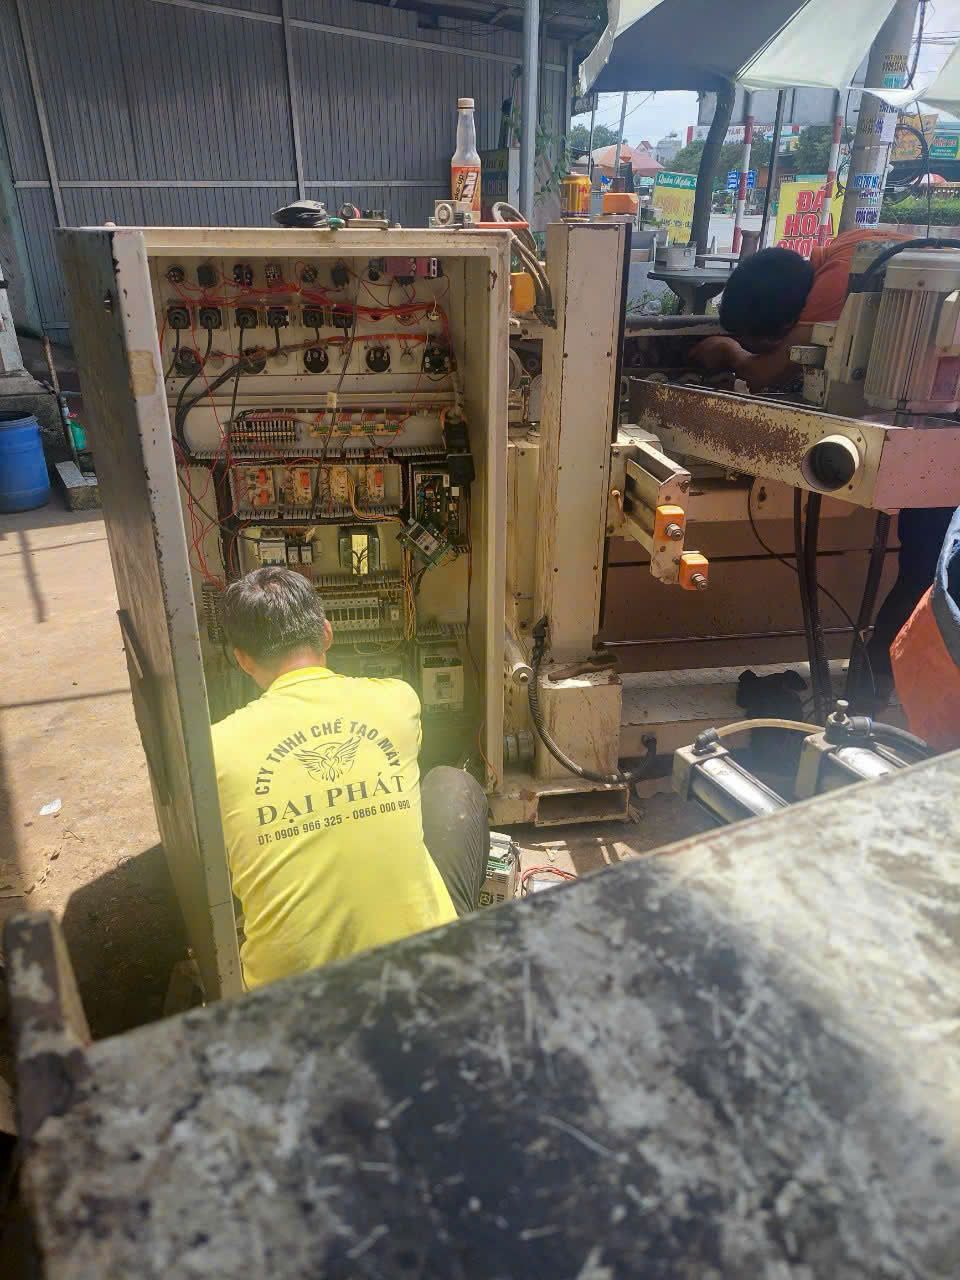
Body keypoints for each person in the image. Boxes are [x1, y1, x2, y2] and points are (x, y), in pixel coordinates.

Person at [693, 230, 953, 706]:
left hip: (943, 433)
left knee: (929, 571)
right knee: (924, 565)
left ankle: (870, 697)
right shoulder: (850, 247)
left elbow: (767, 371)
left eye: (764, 341)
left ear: (787, 324)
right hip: (936, 419)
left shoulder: (834, 288)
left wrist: (730, 352)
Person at [211, 566, 489, 988]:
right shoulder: (398, 699)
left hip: (286, 1006)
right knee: (452, 784)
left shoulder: (215, 747)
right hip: (422, 985)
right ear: (326, 633)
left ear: (242, 659)